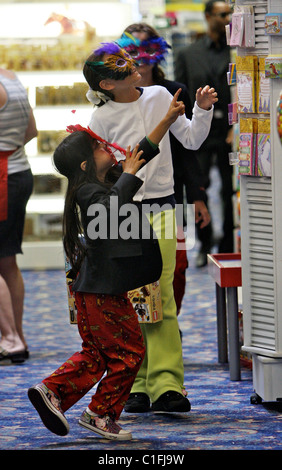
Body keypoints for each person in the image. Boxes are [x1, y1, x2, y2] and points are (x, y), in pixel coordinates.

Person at [27, 91, 187, 441]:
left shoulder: (103, 179)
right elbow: (110, 214)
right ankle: (99, 413)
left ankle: (53, 390)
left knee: (98, 354)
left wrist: (168, 119)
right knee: (130, 353)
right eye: (99, 148)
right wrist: (128, 175)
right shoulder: (88, 192)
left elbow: (141, 152)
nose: (109, 149)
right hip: (102, 293)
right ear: (86, 165)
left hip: (99, 290)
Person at [83, 41, 217, 413]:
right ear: (106, 85)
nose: (130, 63)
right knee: (132, 299)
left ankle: (169, 383)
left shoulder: (159, 95)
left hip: (163, 207)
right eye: (117, 64)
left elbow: (190, 138)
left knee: (163, 296)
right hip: (124, 212)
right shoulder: (100, 120)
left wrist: (202, 110)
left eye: (126, 57)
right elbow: (101, 173)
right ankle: (138, 382)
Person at [117, 23, 211, 317]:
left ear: (158, 52)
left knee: (174, 266)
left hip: (170, 193)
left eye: (147, 49)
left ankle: (169, 319)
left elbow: (188, 147)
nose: (140, 58)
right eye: (133, 49)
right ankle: (142, 327)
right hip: (127, 196)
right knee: (132, 269)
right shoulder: (114, 97)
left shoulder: (170, 92)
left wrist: (197, 195)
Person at [175, 0, 234, 267]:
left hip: (229, 132)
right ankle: (205, 242)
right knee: (200, 189)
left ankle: (229, 246)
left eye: (230, 14)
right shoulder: (188, 53)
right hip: (199, 132)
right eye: (223, 14)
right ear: (209, 16)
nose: (227, 18)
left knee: (229, 191)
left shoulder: (236, 50)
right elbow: (181, 96)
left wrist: (238, 126)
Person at [0, 67, 37, 363]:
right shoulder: (11, 77)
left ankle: (10, 338)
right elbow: (31, 132)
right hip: (18, 172)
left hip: (2, 178)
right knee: (7, 260)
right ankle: (16, 336)